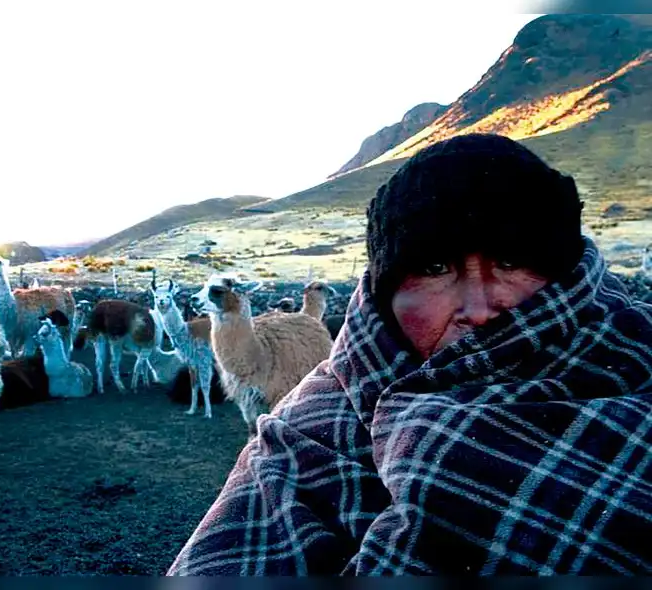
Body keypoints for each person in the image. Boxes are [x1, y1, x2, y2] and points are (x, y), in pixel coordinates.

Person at [166, 133, 652, 575]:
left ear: (568, 275)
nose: (478, 310)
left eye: (512, 262)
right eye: (436, 268)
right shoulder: (309, 435)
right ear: (386, 294)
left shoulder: (634, 364)